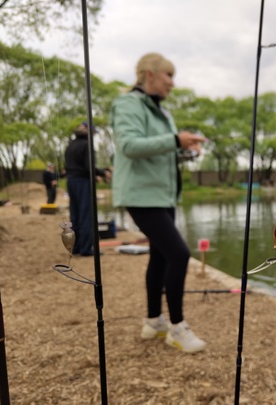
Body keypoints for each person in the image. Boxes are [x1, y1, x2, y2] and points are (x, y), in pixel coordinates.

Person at [110, 53, 207, 353]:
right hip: (141, 195)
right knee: (180, 254)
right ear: (149, 74)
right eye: (168, 75)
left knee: (161, 256)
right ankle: (177, 328)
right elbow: (129, 145)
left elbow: (161, 148)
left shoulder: (162, 112)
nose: (172, 83)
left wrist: (183, 150)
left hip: (163, 196)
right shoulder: (127, 104)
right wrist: (176, 141)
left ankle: (153, 321)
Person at [64, 121, 112, 256]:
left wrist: (94, 176)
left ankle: (77, 247)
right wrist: (104, 173)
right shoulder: (87, 144)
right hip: (82, 183)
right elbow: (88, 167)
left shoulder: (71, 144)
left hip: (71, 182)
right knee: (86, 215)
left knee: (75, 215)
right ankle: (86, 249)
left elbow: (74, 166)